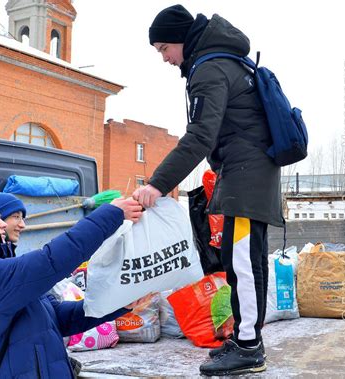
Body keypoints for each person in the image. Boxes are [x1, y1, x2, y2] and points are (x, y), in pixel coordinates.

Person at [133, 4, 284, 376]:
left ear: (181, 40)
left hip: (247, 173)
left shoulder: (210, 69)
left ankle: (249, 348)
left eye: (163, 48)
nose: (164, 58)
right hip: (245, 171)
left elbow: (201, 135)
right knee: (239, 261)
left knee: (245, 264)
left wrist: (157, 184)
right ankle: (244, 338)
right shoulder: (220, 61)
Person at [0, 188, 146, 378]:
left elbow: (60, 319)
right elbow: (51, 261)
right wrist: (111, 214)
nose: (4, 223)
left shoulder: (0, 271)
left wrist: (120, 305)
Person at [0, 192, 82, 377]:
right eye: (15, 217)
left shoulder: (12, 264)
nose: (22, 224)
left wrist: (113, 306)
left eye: (22, 217)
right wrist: (111, 215)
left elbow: (55, 316)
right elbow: (53, 259)